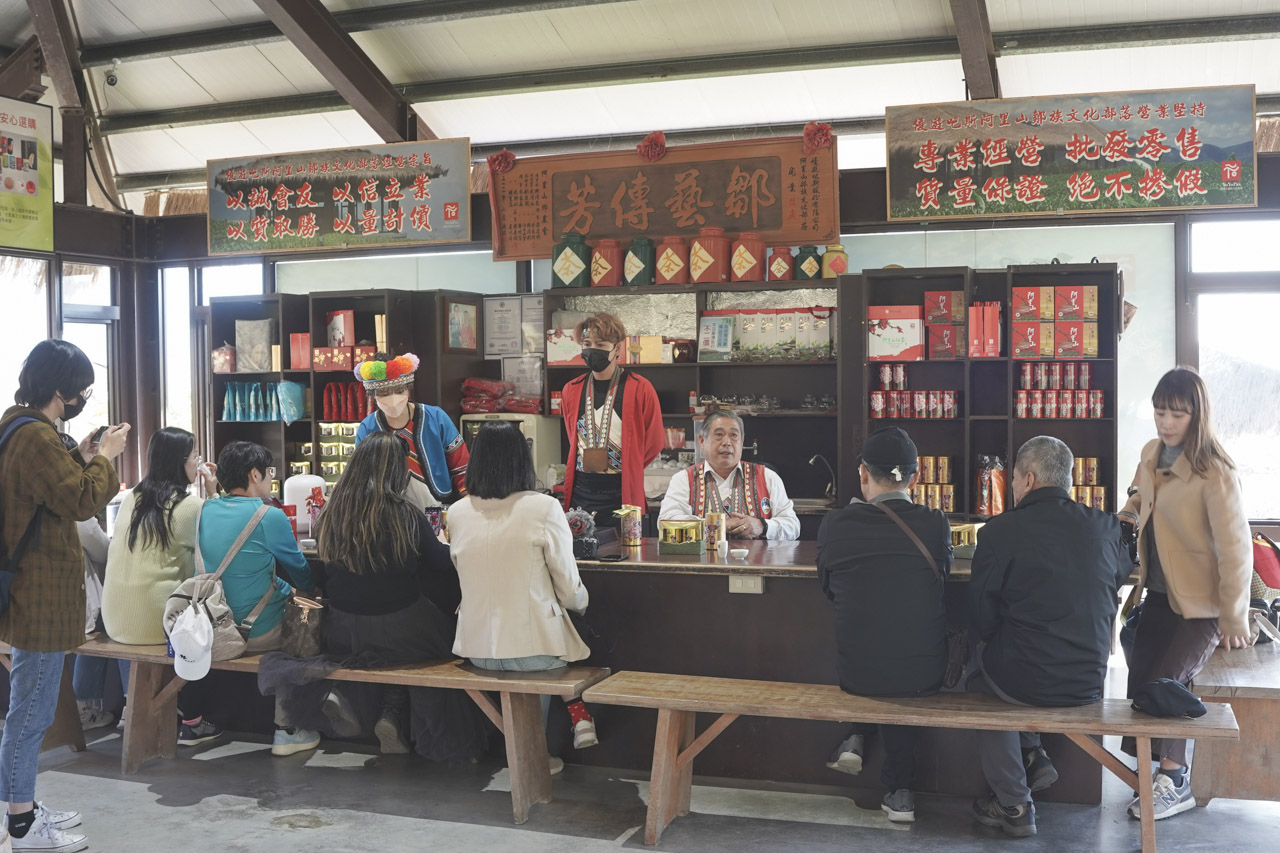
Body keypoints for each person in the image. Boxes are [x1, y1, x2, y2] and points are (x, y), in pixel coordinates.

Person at [0, 338, 129, 853]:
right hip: (40, 596)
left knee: (27, 709)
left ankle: (21, 805)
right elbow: (79, 499)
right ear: (61, 390)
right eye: (81, 389)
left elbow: (50, 487)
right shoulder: (34, 438)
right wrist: (107, 460)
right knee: (30, 713)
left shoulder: (20, 427)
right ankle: (23, 826)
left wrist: (83, 453)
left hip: (34, 592)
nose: (83, 398)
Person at [967, 435, 1130, 838]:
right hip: (1089, 680)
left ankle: (1013, 803)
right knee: (1020, 658)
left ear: (1028, 479)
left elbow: (981, 619)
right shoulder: (1106, 527)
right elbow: (1120, 576)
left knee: (982, 682)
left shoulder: (1000, 531)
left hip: (1021, 679)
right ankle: (1033, 753)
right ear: (1069, 480)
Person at [1116, 366, 1252, 821]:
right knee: (1141, 689)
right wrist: (1126, 515)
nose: (1166, 422)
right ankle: (1156, 776)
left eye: (1177, 414)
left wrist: (1234, 618)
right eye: (1160, 412)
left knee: (1167, 685)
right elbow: (1140, 500)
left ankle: (1175, 781)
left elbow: (1236, 549)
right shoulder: (1152, 453)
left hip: (1202, 605)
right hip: (1158, 594)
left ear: (1198, 415)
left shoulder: (1215, 471)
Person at [297, 432, 483, 758]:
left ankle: (370, 703)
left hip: (342, 630)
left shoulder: (329, 514)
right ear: (396, 470)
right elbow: (441, 563)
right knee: (437, 648)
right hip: (404, 628)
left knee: (381, 651)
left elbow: (322, 573)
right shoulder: (405, 514)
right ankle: (393, 712)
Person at [816, 426, 951, 823]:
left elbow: (828, 590)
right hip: (925, 673)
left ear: (862, 473)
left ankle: (858, 735)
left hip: (856, 673)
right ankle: (900, 789)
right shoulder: (935, 523)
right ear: (917, 475)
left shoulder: (835, 525)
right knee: (901, 659)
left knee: (874, 647)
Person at [449, 422, 597, 761]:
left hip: (476, 647)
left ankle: (535, 749)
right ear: (522, 461)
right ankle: (538, 752)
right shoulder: (544, 508)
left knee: (537, 652)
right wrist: (581, 606)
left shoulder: (457, 512)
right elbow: (570, 589)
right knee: (570, 638)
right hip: (533, 650)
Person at [180, 440, 319, 756]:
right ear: (255, 474)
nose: (271, 480)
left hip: (210, 626)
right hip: (254, 631)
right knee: (304, 624)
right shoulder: (268, 516)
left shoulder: (204, 509)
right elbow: (301, 572)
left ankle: (194, 721)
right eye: (269, 473)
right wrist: (305, 591)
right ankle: (288, 728)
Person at [102, 427, 217, 645]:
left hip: (114, 620)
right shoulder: (190, 505)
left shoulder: (132, 497)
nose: (198, 462)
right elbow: (223, 537)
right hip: (159, 623)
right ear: (179, 461)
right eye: (195, 456)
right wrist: (213, 492)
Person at [559, 313, 663, 528]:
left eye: (600, 343)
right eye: (587, 344)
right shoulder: (571, 389)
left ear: (617, 348)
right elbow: (572, 437)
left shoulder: (640, 388)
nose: (592, 349)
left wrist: (631, 464)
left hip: (621, 491)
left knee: (626, 555)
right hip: (581, 491)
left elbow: (654, 442)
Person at [659, 410, 800, 540]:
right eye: (719, 435)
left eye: (734, 435)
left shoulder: (767, 477)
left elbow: (793, 526)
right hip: (702, 565)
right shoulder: (684, 479)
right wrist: (717, 525)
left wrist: (762, 526)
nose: (727, 443)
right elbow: (666, 524)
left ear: (742, 442)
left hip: (757, 564)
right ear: (702, 441)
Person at [354, 352, 469, 511]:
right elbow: (360, 477)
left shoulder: (436, 418)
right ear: (372, 395)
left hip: (439, 509)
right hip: (389, 513)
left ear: (408, 389)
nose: (392, 398)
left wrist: (468, 501)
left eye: (399, 390)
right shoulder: (367, 428)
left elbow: (462, 466)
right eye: (383, 393)